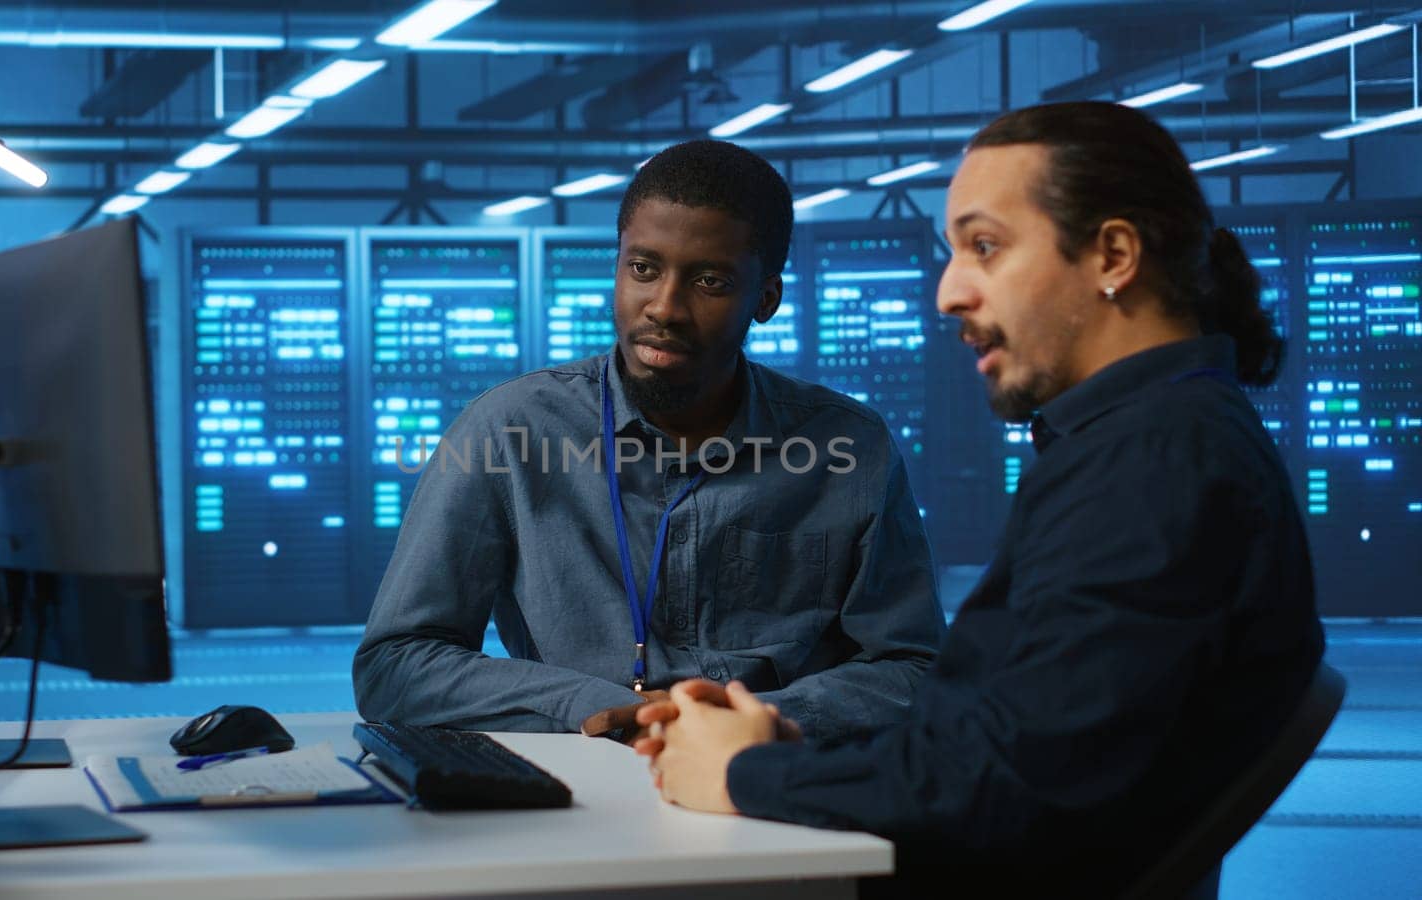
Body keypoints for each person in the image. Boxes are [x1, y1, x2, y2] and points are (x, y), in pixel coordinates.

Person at [636, 102, 1326, 897]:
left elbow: (1007, 787)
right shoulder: (1158, 435)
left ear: (1113, 254)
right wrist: (797, 759)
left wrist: (749, 774)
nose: (948, 292)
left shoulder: (1154, 465)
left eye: (985, 247)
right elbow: (1015, 741)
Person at [354, 140, 946, 743]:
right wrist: (596, 706)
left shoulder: (849, 446)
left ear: (765, 298)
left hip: (779, 789)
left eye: (710, 282)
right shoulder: (509, 430)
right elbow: (395, 665)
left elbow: (914, 667)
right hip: (580, 798)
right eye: (643, 269)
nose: (664, 307)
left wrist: (760, 721)